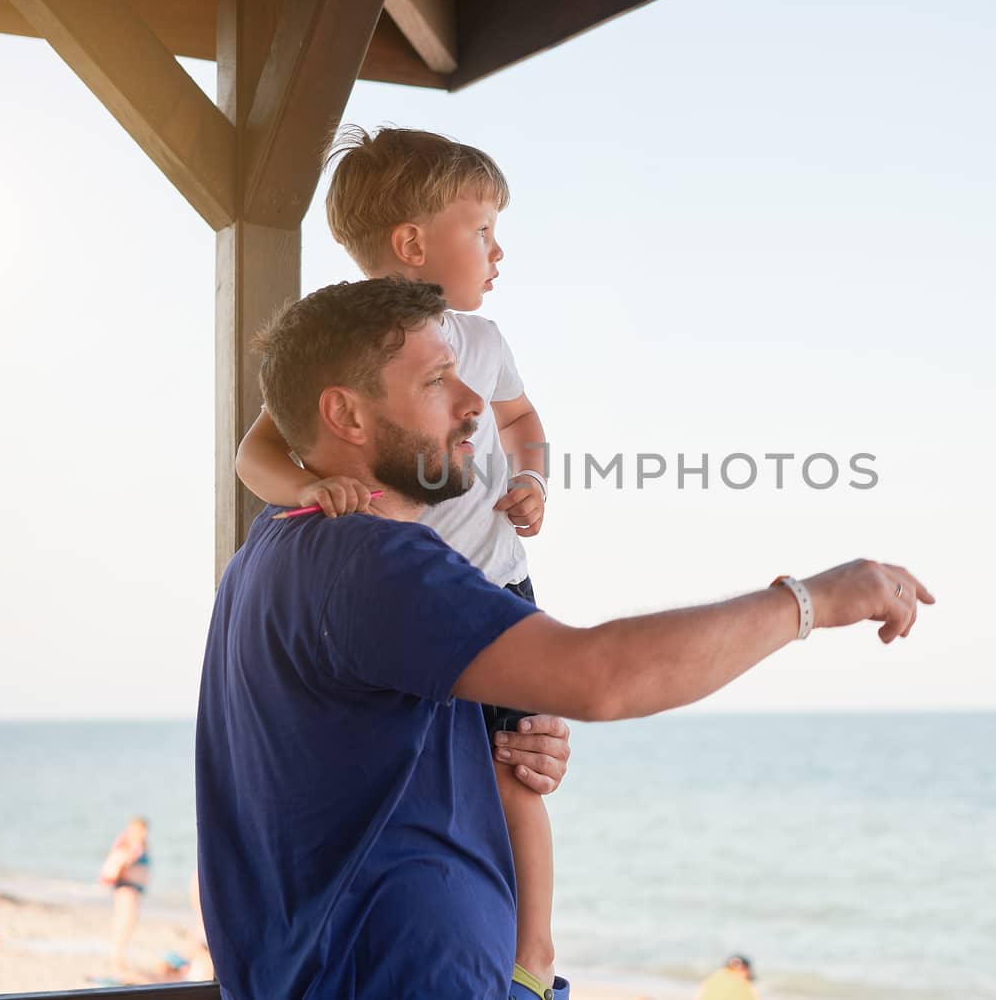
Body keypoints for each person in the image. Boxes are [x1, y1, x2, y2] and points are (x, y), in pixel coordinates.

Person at [196, 277, 935, 999]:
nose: (474, 404)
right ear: (346, 416)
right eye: (437, 381)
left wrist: (488, 757)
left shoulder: (267, 555)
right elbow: (602, 676)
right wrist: (814, 600)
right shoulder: (372, 562)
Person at [235, 126, 561, 999]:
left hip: (490, 585)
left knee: (518, 766)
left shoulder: (482, 339)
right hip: (407, 601)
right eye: (483, 228)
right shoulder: (339, 343)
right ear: (413, 245)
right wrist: (310, 490)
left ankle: (536, 952)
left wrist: (530, 477)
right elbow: (255, 455)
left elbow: (523, 423)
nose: (499, 249)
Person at [98, 816, 150, 974]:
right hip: (128, 889)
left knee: (126, 923)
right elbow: (122, 864)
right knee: (124, 923)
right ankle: (117, 960)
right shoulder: (131, 846)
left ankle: (118, 958)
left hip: (131, 889)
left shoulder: (135, 845)